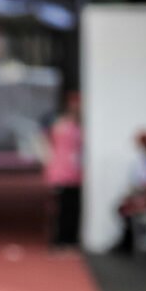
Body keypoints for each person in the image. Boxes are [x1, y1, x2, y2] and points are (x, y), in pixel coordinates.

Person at [45, 92, 82, 248]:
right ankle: (59, 239)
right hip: (61, 173)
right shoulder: (61, 125)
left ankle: (69, 238)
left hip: (75, 174)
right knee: (61, 208)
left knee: (72, 208)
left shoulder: (77, 126)